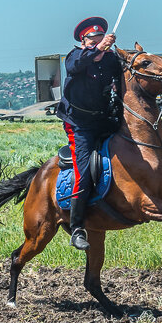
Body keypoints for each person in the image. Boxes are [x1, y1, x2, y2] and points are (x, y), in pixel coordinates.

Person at [55, 16, 121, 251]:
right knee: (83, 171)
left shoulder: (111, 59)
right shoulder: (75, 56)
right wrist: (97, 50)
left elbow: (120, 77)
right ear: (84, 41)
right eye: (93, 38)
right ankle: (77, 227)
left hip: (103, 118)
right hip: (79, 124)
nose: (98, 41)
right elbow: (76, 66)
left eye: (101, 37)